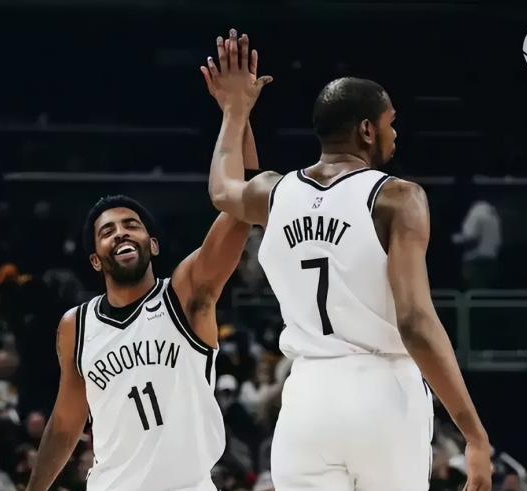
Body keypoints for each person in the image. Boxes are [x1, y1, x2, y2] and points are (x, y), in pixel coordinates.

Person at [202, 29, 492, 490]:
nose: (395, 133)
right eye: (391, 122)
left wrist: (235, 111)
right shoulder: (397, 198)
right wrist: (474, 435)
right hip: (382, 392)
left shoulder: (275, 192)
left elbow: (222, 188)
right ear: (366, 130)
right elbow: (415, 322)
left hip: (306, 399)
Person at [25, 109, 262, 490]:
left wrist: (237, 112)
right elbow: (67, 423)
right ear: (95, 259)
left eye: (131, 225)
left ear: (152, 244)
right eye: (107, 231)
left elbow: (244, 202)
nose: (120, 233)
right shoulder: (76, 326)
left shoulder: (184, 294)